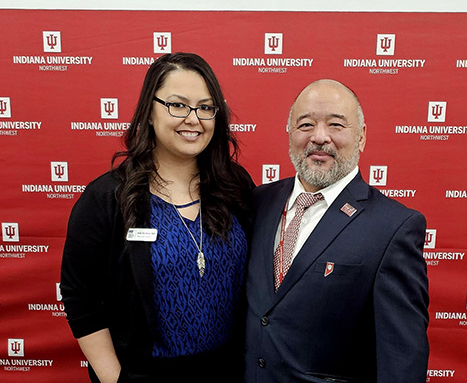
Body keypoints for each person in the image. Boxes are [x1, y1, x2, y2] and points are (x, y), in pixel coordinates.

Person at [61, 52, 254, 383]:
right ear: (149, 111)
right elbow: (81, 298)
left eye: (206, 107)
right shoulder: (107, 198)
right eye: (177, 105)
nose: (193, 119)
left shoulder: (236, 186)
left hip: (231, 371)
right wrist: (116, 379)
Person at [245, 79, 429, 383]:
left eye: (336, 125)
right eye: (305, 124)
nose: (320, 137)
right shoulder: (259, 202)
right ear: (289, 132)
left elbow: (401, 358)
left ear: (361, 137)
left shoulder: (394, 227)